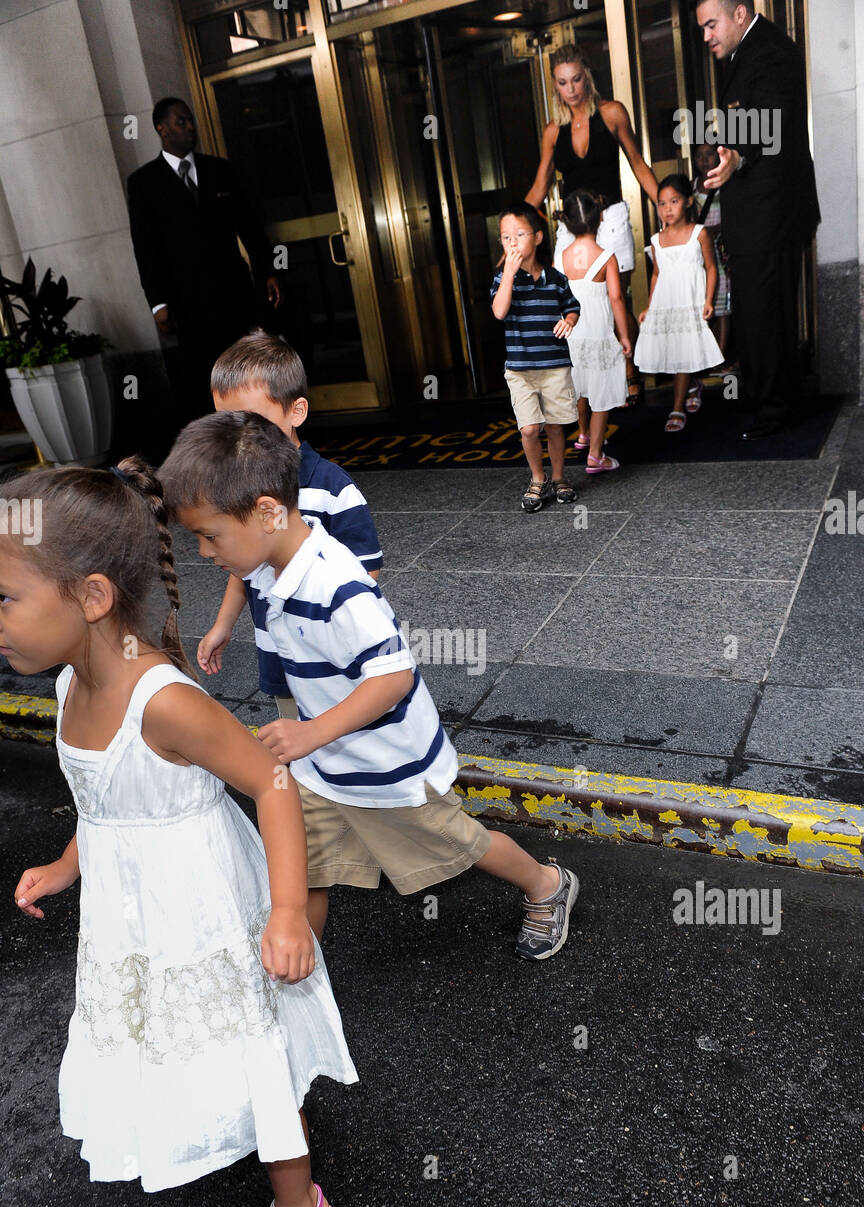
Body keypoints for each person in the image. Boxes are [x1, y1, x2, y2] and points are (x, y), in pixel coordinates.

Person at [1, 460, 357, 1207]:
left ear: (91, 596)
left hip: (202, 903)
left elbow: (273, 784)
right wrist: (65, 864)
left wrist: (284, 914)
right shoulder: (66, 685)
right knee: (177, 1030)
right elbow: (104, 801)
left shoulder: (163, 701)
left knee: (248, 1036)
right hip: (134, 913)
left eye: (5, 598)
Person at [161, 411, 580, 964]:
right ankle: (295, 966)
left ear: (266, 513)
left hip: (385, 763)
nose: (204, 553)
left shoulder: (338, 586)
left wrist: (311, 733)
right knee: (304, 864)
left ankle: (547, 884)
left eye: (209, 535)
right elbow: (250, 587)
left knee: (457, 840)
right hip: (326, 761)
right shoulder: (267, 565)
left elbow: (393, 677)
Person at [195, 330, 382, 724]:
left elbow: (366, 570)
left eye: (254, 422)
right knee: (298, 744)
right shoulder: (239, 490)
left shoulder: (331, 487)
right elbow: (243, 568)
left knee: (344, 738)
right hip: (278, 655)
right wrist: (223, 624)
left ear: (296, 411)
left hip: (332, 655)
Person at [695, 0, 820, 439]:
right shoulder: (748, 54)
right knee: (763, 311)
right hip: (760, 213)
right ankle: (774, 404)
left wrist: (738, 156)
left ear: (740, 14)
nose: (707, 35)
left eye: (712, 24)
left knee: (767, 313)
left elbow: (776, 121)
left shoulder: (770, 51)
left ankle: (775, 412)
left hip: (773, 212)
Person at [127, 98, 281, 423]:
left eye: (190, 121)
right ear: (162, 128)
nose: (189, 128)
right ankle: (220, 441)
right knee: (206, 374)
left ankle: (259, 429)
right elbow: (146, 247)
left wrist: (267, 272)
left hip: (234, 292)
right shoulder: (144, 183)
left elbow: (249, 226)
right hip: (188, 301)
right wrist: (158, 303)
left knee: (247, 365)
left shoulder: (220, 170)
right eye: (181, 122)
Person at [525, 43, 659, 408]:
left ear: (588, 76)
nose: (572, 89)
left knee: (619, 299)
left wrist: (662, 203)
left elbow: (637, 162)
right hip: (571, 227)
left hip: (611, 218)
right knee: (571, 302)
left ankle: (630, 371)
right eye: (563, 83)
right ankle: (583, 378)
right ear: (556, 86)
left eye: (577, 79)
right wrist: (517, 224)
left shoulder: (612, 113)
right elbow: (540, 184)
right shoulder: (553, 132)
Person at [490, 203, 580, 513]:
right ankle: (538, 478)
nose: (512, 243)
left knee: (555, 426)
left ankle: (559, 477)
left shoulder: (555, 278)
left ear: (538, 237)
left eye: (519, 235)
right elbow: (499, 311)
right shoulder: (504, 279)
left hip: (554, 365)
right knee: (529, 428)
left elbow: (572, 306)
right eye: (505, 238)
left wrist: (568, 321)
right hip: (520, 369)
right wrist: (510, 275)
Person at [634, 175, 723, 433]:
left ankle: (677, 407)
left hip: (690, 301)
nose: (667, 208)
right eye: (662, 203)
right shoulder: (656, 241)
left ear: (687, 202)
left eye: (673, 201)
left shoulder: (699, 233)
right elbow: (656, 274)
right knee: (675, 352)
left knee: (683, 353)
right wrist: (651, 307)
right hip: (667, 302)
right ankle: (693, 385)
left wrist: (708, 300)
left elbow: (711, 268)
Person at [557, 189, 631, 474]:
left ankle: (583, 433)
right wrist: (624, 335)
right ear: (600, 218)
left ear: (567, 222)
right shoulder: (606, 257)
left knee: (579, 389)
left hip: (571, 337)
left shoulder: (561, 258)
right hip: (599, 335)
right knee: (600, 395)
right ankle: (596, 455)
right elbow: (616, 299)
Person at [692, 144, 732, 369]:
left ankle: (721, 355)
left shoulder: (725, 184)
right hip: (700, 255)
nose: (704, 160)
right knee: (703, 303)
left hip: (722, 253)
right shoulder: (691, 188)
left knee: (722, 305)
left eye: (709, 155)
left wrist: (718, 229)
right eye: (699, 156)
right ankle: (707, 356)